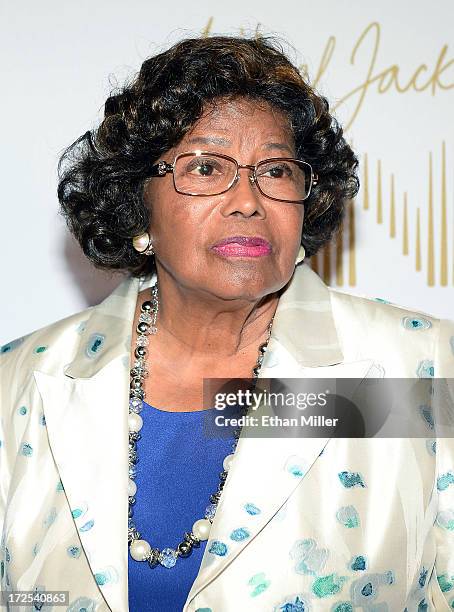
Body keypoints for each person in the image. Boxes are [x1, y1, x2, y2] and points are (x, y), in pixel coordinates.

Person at [0, 35, 453, 612]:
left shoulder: (421, 367)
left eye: (277, 170)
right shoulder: (18, 383)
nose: (247, 199)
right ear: (139, 202)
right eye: (206, 166)